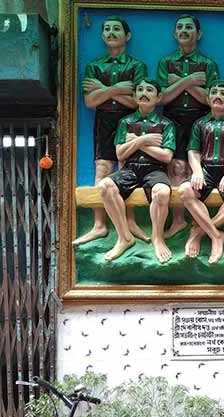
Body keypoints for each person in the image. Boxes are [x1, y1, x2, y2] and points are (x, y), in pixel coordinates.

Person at [75, 16, 149, 246]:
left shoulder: (137, 66)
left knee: (127, 169)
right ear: (102, 35)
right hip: (104, 119)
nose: (111, 32)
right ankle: (99, 225)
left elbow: (137, 102)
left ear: (127, 36)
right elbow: (90, 101)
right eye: (106, 29)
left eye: (116, 29)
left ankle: (129, 221)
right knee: (103, 168)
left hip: (131, 121)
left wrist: (102, 90)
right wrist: (118, 89)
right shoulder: (94, 66)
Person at [96, 78, 176, 263]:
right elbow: (120, 154)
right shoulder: (126, 122)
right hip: (130, 169)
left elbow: (166, 156)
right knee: (105, 186)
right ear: (134, 95)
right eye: (139, 89)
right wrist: (146, 140)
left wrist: (135, 141)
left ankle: (157, 238)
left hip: (155, 169)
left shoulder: (166, 124)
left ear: (158, 97)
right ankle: (124, 237)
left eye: (149, 90)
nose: (144, 93)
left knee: (162, 192)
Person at [155, 14, 220, 239]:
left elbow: (209, 99)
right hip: (172, 117)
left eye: (189, 27)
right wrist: (192, 81)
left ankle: (196, 218)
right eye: (180, 27)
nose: (184, 30)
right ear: (174, 34)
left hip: (200, 118)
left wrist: (179, 83)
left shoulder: (208, 64)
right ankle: (178, 220)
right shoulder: (166, 62)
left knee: (197, 168)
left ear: (198, 34)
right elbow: (162, 98)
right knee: (176, 167)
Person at [179, 81, 224, 264]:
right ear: (208, 98)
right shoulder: (200, 124)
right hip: (206, 170)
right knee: (185, 191)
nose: (218, 96)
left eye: (223, 94)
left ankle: (199, 232)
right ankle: (216, 235)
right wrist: (197, 171)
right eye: (214, 93)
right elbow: (193, 151)